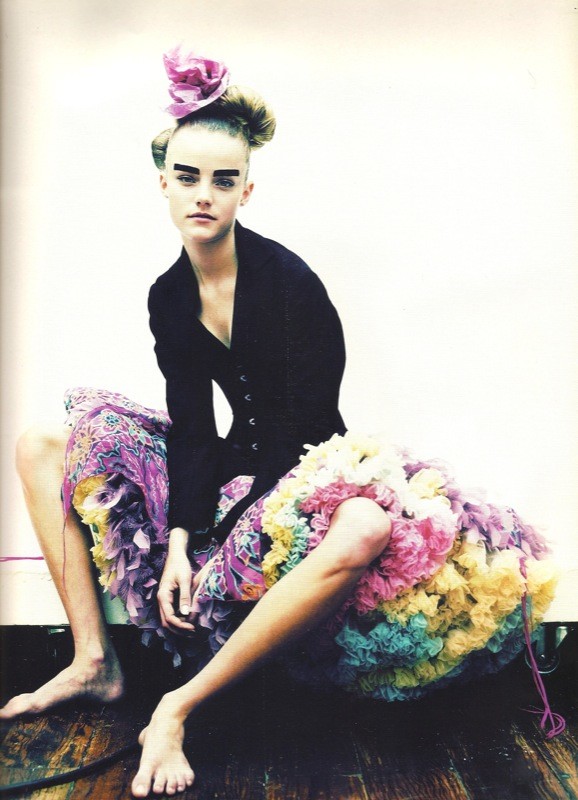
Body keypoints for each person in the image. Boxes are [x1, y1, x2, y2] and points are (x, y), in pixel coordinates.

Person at [0, 48, 559, 797]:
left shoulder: (288, 282)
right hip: (229, 465)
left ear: (246, 189)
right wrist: (179, 541)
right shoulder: (168, 295)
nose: (204, 195)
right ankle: (94, 662)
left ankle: (177, 706)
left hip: (304, 470)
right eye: (188, 177)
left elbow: (304, 431)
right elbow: (192, 427)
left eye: (223, 180)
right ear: (163, 182)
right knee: (41, 444)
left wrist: (221, 545)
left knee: (365, 525)